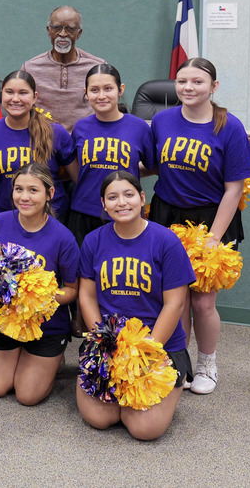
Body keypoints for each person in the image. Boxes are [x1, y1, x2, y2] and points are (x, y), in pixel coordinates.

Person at [149, 58, 250, 395]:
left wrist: (213, 238)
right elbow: (152, 165)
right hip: (167, 215)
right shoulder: (162, 120)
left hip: (211, 219)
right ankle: (177, 362)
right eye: (182, 81)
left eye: (197, 81)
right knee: (174, 299)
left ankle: (207, 363)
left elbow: (234, 189)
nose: (188, 88)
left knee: (203, 303)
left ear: (213, 86)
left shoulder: (230, 127)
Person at [78, 171, 195, 440]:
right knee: (99, 418)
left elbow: (175, 304)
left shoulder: (166, 241)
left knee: (145, 429)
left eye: (129, 195)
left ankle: (172, 385)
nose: (121, 202)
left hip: (157, 345)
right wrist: (103, 342)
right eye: (112, 197)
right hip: (111, 345)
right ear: (103, 204)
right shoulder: (93, 240)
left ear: (142, 198)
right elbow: (87, 296)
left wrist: (145, 352)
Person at [0, 164, 79, 405]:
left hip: (46, 327)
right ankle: (20, 357)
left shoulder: (63, 237)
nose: (24, 197)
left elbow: (73, 290)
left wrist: (38, 297)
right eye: (18, 189)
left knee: (27, 396)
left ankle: (53, 358)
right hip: (6, 320)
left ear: (49, 193)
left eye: (33, 190)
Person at [68, 64, 155, 244]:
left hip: (125, 213)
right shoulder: (80, 127)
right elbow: (77, 166)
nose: (101, 96)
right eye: (94, 90)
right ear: (86, 93)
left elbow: (153, 166)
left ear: (120, 89)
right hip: (84, 213)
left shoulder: (139, 127)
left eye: (108, 88)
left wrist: (129, 171)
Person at [0, 70, 76, 222]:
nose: (15, 99)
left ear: (35, 97)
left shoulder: (55, 132)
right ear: (2, 95)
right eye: (9, 92)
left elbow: (76, 177)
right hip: (7, 219)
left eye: (23, 93)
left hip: (51, 219)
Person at [20, 6, 106, 132]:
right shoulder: (30, 68)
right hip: (43, 139)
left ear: (79, 33)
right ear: (49, 31)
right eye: (57, 28)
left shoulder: (97, 67)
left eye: (70, 28)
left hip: (85, 138)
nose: (63, 34)